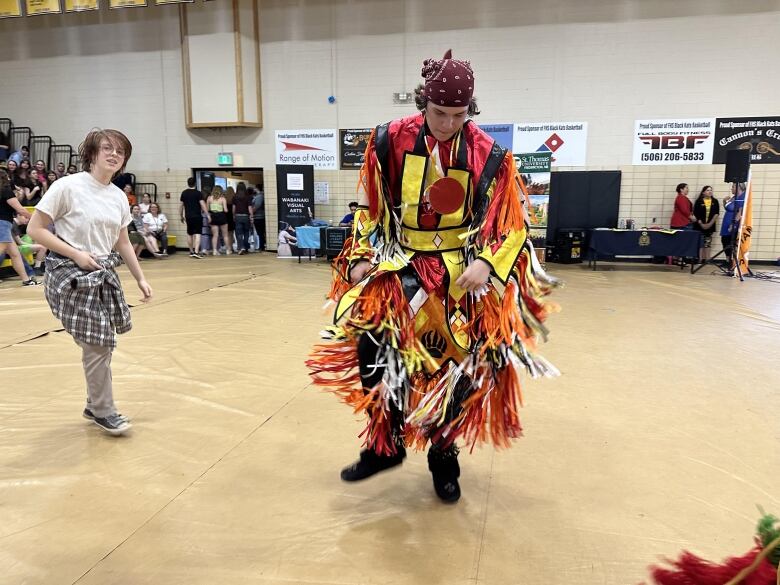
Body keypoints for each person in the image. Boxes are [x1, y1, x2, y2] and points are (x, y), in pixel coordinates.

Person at [307, 50, 558, 503]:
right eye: (439, 113)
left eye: (458, 115)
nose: (447, 123)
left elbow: (512, 224)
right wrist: (362, 255)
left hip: (459, 275)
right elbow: (368, 206)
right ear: (424, 101)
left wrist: (486, 262)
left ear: (470, 110)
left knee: (456, 367)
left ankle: (444, 456)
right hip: (401, 265)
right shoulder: (390, 140)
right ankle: (385, 445)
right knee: (374, 349)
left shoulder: (489, 153)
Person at [27, 128, 153, 435]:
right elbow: (36, 229)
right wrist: (77, 254)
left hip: (101, 272)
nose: (113, 154)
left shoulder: (119, 197)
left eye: (120, 151)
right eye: (107, 148)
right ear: (92, 153)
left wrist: (140, 277)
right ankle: (103, 410)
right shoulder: (68, 187)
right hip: (68, 275)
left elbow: (122, 242)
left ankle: (94, 402)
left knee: (100, 342)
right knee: (97, 343)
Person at [0, 169, 37, 286]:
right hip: (3, 224)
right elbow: (20, 209)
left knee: (15, 254)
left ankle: (26, 280)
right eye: (8, 177)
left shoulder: (4, 192)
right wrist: (34, 218)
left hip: (4, 224)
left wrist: (19, 192)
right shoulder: (6, 191)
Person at [720, 182, 746, 268]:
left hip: (734, 222)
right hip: (726, 221)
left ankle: (734, 261)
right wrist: (724, 201)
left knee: (733, 241)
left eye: (733, 187)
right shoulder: (734, 197)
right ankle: (728, 260)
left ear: (738, 187)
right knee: (725, 240)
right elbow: (728, 208)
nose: (731, 188)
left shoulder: (742, 197)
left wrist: (733, 224)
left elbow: (740, 212)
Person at [180, 177, 206, 258]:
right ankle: (196, 252)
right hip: (197, 216)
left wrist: (181, 216)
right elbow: (202, 204)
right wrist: (207, 214)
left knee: (189, 233)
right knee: (198, 233)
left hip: (188, 216)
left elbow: (181, 206)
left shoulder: (184, 193)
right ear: (195, 183)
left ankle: (191, 251)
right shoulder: (198, 193)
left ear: (188, 183)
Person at [692, 185, 720, 262]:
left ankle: (707, 259)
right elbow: (696, 213)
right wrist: (701, 224)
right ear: (703, 192)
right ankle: (700, 259)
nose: (710, 191)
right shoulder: (699, 201)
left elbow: (716, 214)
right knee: (700, 243)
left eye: (711, 190)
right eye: (708, 190)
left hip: (710, 226)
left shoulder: (715, 201)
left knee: (707, 243)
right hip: (699, 225)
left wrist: (709, 224)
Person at [207, 185, 230, 255]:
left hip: (213, 217)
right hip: (222, 216)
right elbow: (225, 210)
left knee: (215, 235)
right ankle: (228, 250)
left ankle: (214, 250)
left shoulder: (209, 198)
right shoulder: (223, 199)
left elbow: (207, 209)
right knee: (225, 235)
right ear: (221, 190)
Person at [231, 182, 253, 254]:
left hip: (238, 216)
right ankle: (246, 247)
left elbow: (233, 208)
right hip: (246, 217)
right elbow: (250, 208)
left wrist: (234, 215)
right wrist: (251, 216)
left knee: (239, 233)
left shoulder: (235, 197)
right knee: (246, 232)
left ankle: (241, 247)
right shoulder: (248, 197)